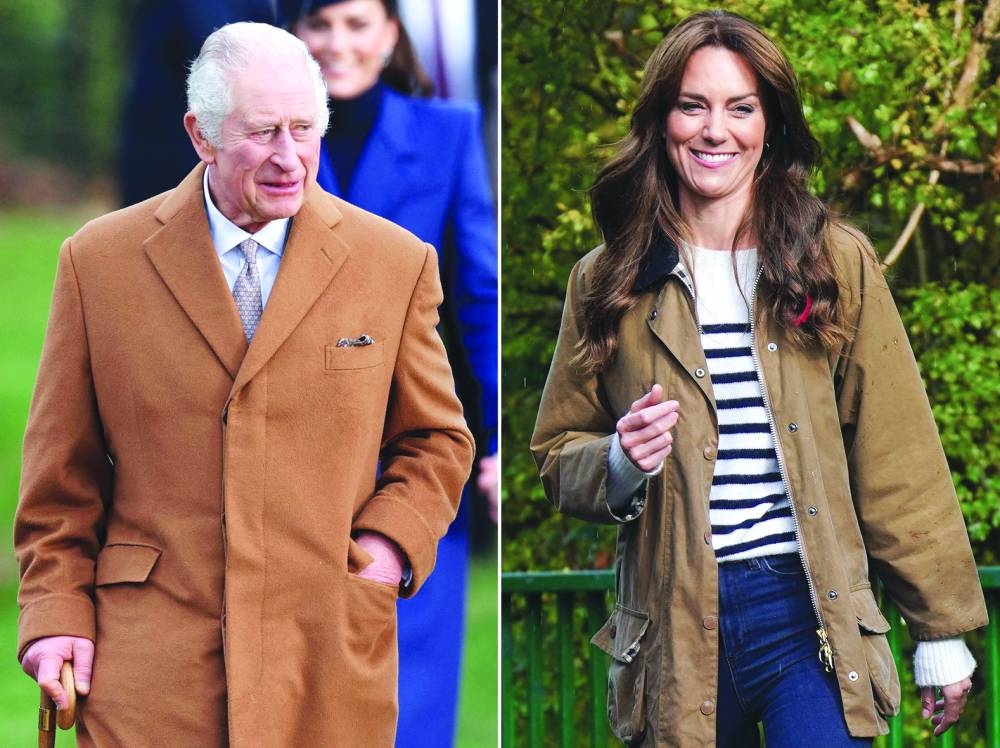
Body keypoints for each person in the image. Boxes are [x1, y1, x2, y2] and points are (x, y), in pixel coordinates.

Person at [531, 10, 987, 748]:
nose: (717, 131)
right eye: (693, 105)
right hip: (673, 625)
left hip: (810, 614)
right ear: (662, 120)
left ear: (769, 125)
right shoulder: (604, 278)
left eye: (740, 108)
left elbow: (896, 451)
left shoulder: (832, 261)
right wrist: (618, 461)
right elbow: (556, 457)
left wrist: (939, 627)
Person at [15, 21, 473, 746]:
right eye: (263, 133)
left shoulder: (394, 263)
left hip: (326, 656)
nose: (290, 158)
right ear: (202, 136)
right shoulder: (97, 264)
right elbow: (58, 485)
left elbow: (437, 440)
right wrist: (55, 617)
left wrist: (387, 549)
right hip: (148, 669)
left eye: (304, 129)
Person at [291, 2, 498, 745]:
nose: (337, 45)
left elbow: (481, 292)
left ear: (389, 35)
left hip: (410, 454)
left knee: (411, 696)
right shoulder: (256, 141)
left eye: (356, 24)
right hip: (286, 458)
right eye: (320, 25)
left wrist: (500, 439)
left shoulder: (447, 132)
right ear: (293, 35)